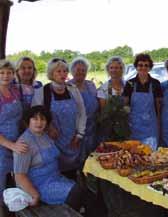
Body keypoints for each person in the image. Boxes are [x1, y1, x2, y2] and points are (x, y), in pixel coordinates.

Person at [14, 106, 107, 217]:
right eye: (34, 119)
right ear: (27, 121)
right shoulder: (24, 144)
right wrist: (35, 195)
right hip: (40, 186)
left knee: (90, 196)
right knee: (78, 192)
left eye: (42, 119)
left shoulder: (44, 135)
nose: (39, 122)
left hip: (56, 179)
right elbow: (19, 176)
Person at [32, 58, 86, 179]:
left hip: (72, 140)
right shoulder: (42, 91)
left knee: (71, 172)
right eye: (59, 71)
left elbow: (82, 113)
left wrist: (79, 135)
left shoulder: (73, 89)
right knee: (53, 172)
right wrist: (48, 127)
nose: (63, 74)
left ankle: (72, 194)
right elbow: (36, 116)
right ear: (51, 73)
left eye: (65, 71)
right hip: (51, 140)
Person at [0, 60, 28, 216]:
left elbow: (21, 117)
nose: (5, 76)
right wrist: (11, 145)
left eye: (9, 72)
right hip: (3, 145)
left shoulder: (16, 91)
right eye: (2, 72)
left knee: (16, 181)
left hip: (17, 143)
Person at [123, 53, 162, 150]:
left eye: (146, 65)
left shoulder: (155, 83)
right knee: (134, 153)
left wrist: (158, 122)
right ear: (136, 66)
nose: (143, 68)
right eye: (140, 65)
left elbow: (158, 105)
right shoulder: (130, 83)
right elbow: (125, 103)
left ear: (150, 67)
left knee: (150, 154)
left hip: (150, 126)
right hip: (134, 126)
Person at [69, 57, 98, 166]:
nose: (80, 72)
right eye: (78, 70)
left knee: (92, 158)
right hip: (76, 129)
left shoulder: (91, 85)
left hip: (92, 128)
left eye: (83, 70)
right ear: (72, 71)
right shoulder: (68, 86)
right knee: (77, 158)